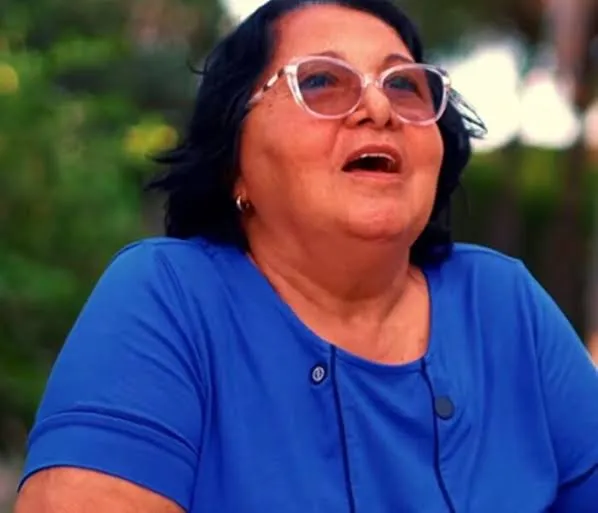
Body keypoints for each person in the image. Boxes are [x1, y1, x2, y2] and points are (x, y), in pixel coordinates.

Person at [13, 0, 598, 511]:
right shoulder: (169, 295)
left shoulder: (501, 302)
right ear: (235, 163)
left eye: (404, 86)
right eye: (321, 81)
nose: (379, 107)